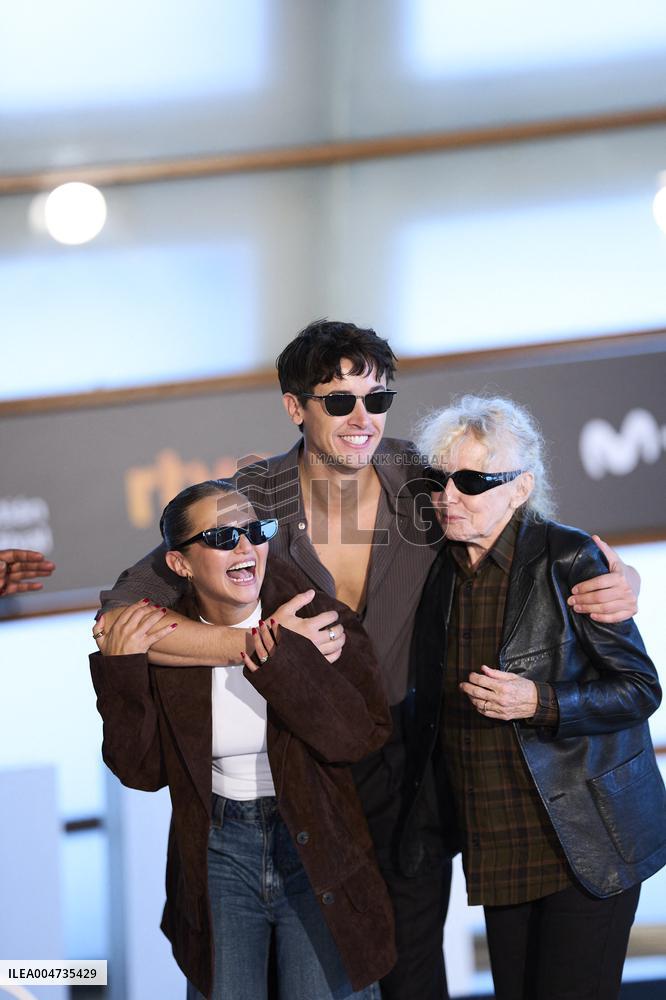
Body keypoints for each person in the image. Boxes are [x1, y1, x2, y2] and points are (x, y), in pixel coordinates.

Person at [98, 321, 641, 1000]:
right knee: (301, 978)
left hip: (410, 764)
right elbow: (120, 616)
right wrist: (250, 645)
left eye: (376, 400)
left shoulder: (427, 482)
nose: (362, 420)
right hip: (303, 766)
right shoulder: (252, 500)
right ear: (296, 407)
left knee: (410, 970)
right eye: (338, 401)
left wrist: (619, 581)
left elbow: (526, 532)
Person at [399, 395, 666, 1000]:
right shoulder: (434, 569)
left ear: (520, 489)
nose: (449, 496)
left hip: (585, 839)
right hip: (498, 840)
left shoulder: (568, 557)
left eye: (471, 481)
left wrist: (540, 701)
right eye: (440, 481)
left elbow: (640, 689)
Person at [91, 479, 396, 1000]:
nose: (244, 547)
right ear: (180, 564)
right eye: (221, 536)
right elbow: (140, 772)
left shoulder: (318, 618)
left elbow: (358, 739)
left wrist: (281, 661)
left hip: (314, 843)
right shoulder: (162, 639)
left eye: (255, 531)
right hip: (216, 850)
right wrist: (123, 672)